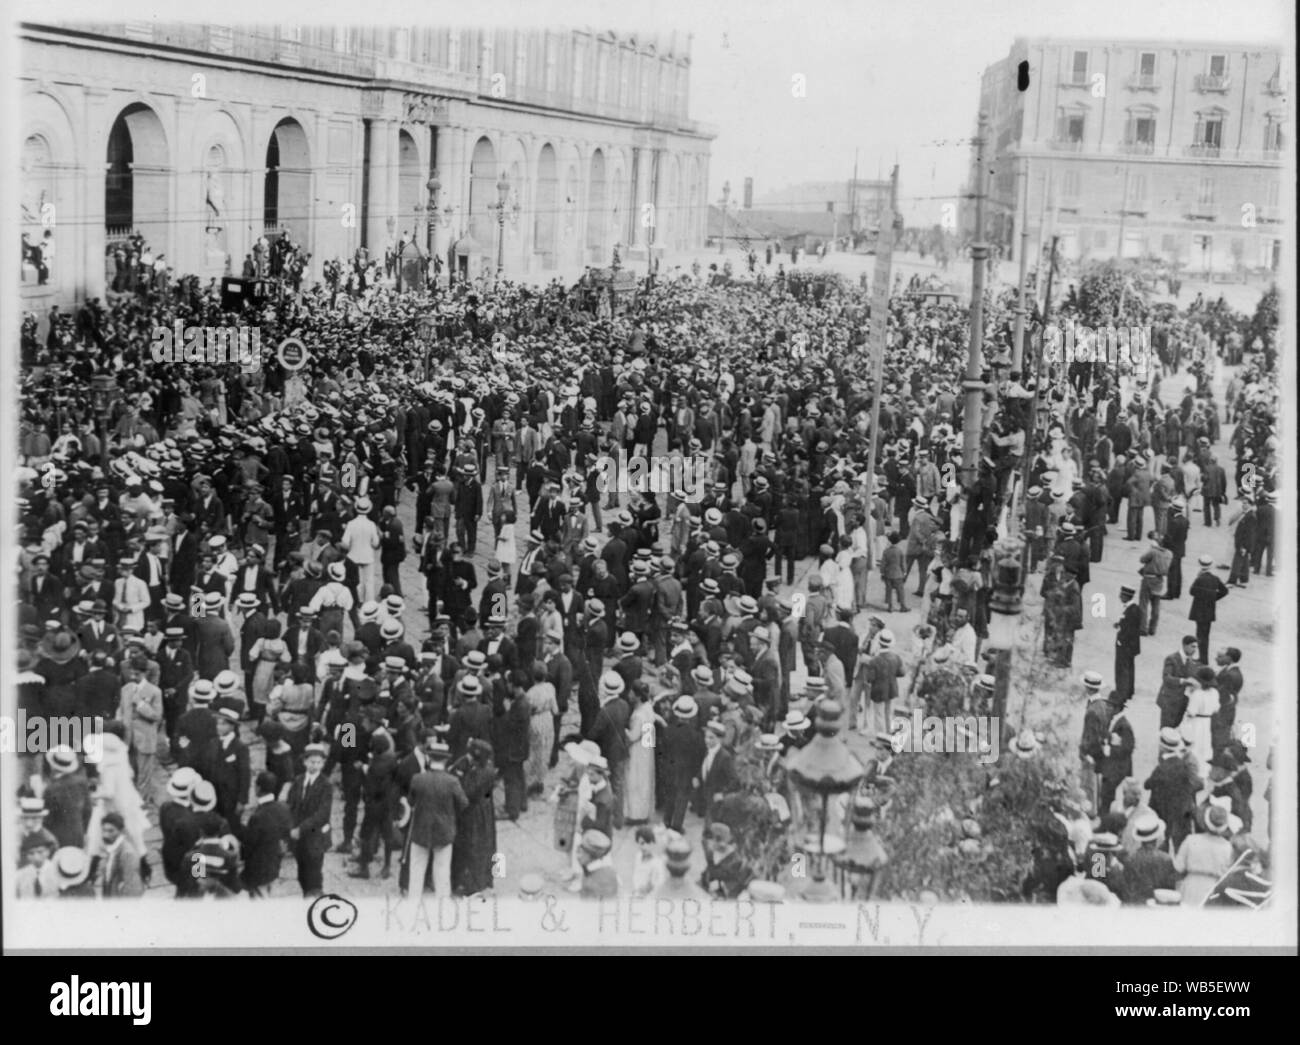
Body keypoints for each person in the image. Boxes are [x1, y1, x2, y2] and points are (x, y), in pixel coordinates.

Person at [404, 740, 466, 897]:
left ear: (429, 758)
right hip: (444, 832)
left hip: (420, 831)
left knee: (416, 871)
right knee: (442, 872)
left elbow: (410, 802)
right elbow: (463, 804)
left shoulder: (417, 779)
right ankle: (443, 910)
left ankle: (413, 904)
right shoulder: (452, 782)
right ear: (446, 760)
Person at [287, 741, 333, 898]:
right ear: (305, 761)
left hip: (315, 836)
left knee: (314, 873)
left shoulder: (326, 785)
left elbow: (322, 814)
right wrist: (292, 827)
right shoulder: (298, 781)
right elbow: (291, 805)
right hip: (298, 836)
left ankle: (315, 898)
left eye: (319, 762)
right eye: (312, 762)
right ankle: (306, 893)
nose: (315, 765)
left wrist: (301, 828)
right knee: (302, 873)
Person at [1145, 728, 1202, 854]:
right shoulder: (1184, 765)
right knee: (1180, 845)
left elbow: (1147, 784)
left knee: (1162, 841)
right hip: (1182, 811)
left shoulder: (1161, 768)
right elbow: (1197, 783)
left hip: (1163, 809)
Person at [452, 739, 498, 896]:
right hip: (485, 810)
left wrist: (460, 776)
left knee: (473, 847)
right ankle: (483, 879)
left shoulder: (479, 772)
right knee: (484, 845)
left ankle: (472, 885)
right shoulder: (488, 767)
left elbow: (468, 792)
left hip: (475, 812)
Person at [240, 770, 292, 897]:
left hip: (258, 870)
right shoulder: (284, 808)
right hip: (274, 865)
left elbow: (249, 846)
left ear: (257, 788)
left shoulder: (257, 817)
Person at [1174, 804, 1236, 906]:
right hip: (1213, 888)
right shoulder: (1228, 847)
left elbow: (1179, 867)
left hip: (1191, 886)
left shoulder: (1191, 840)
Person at [624, 679, 659, 825]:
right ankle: (644, 811)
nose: (629, 694)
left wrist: (622, 729)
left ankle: (635, 814)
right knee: (645, 779)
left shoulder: (638, 715)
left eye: (632, 692)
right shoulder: (647, 707)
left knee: (635, 780)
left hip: (638, 750)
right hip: (647, 746)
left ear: (637, 696)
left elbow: (632, 736)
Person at [1187, 555, 1228, 663]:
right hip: (1209, 610)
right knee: (1205, 635)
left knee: (1200, 635)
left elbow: (1192, 591)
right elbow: (1224, 591)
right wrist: (1214, 598)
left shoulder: (1200, 578)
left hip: (1199, 610)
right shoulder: (1215, 578)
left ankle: (1203, 659)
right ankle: (1204, 658)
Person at [631, 825, 668, 897]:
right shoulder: (638, 856)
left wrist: (648, 889)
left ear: (652, 843)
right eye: (641, 843)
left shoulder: (657, 863)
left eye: (647, 843)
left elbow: (659, 885)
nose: (643, 847)